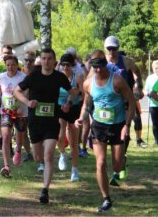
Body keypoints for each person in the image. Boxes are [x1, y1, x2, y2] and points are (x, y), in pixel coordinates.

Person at [75, 50, 135, 212]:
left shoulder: (117, 81)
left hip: (117, 126)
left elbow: (131, 102)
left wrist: (127, 126)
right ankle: (106, 199)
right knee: (100, 163)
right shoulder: (88, 84)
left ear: (106, 64)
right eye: (95, 68)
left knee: (117, 167)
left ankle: (122, 162)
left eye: (101, 66)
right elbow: (86, 106)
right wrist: (82, 117)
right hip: (99, 126)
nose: (99, 70)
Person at [14, 48, 75, 204]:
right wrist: (28, 102)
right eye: (43, 58)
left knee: (48, 156)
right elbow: (16, 91)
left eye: (49, 59)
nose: (46, 61)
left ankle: (45, 191)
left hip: (51, 122)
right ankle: (41, 168)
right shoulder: (33, 76)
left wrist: (68, 103)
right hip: (35, 122)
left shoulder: (59, 77)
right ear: (40, 60)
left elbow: (73, 92)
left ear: (54, 61)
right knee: (38, 157)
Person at [102, 36, 144, 179]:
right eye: (109, 49)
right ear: (105, 48)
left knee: (124, 131)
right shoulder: (102, 62)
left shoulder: (125, 61)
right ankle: (113, 158)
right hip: (108, 101)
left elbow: (137, 72)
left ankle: (122, 157)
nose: (112, 52)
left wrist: (138, 86)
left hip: (124, 99)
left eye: (114, 49)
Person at [0, 54, 26, 177]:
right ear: (5, 66)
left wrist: (23, 96)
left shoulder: (22, 77)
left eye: (13, 65)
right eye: (8, 65)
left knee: (20, 133)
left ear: (17, 65)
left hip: (21, 111)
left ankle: (18, 149)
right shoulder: (2, 76)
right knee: (6, 136)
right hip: (6, 111)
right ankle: (6, 166)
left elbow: (27, 90)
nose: (10, 67)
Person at [56, 53, 84, 182]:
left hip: (74, 109)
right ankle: (62, 153)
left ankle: (74, 170)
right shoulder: (57, 78)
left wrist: (73, 101)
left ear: (72, 65)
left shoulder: (77, 78)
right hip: (60, 108)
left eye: (68, 64)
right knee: (60, 135)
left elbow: (83, 94)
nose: (65, 67)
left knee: (73, 142)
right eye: (63, 64)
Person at [145, 60, 158, 145]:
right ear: (153, 68)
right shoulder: (150, 78)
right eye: (156, 68)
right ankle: (156, 140)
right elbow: (145, 90)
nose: (157, 69)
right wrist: (148, 94)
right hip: (153, 104)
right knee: (155, 123)